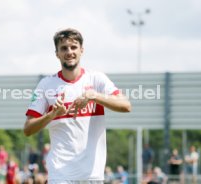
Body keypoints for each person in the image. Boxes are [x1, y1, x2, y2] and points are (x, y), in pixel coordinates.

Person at [24, 28, 131, 183]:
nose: (69, 52)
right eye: (64, 48)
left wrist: (95, 96)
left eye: (73, 47)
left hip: (92, 175)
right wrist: (52, 114)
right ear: (57, 53)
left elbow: (126, 105)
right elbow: (28, 129)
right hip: (59, 174)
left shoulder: (97, 79)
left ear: (82, 50)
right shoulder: (46, 85)